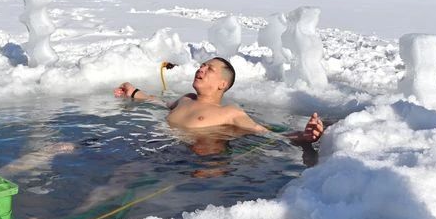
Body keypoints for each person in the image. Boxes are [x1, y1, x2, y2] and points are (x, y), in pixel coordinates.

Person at [114, 57, 325, 147]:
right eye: (201, 66)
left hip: (180, 155)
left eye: (209, 69)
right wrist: (133, 92)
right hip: (151, 143)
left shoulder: (229, 112)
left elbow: (265, 133)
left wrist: (304, 136)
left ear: (222, 84)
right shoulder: (185, 99)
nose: (200, 69)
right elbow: (158, 102)